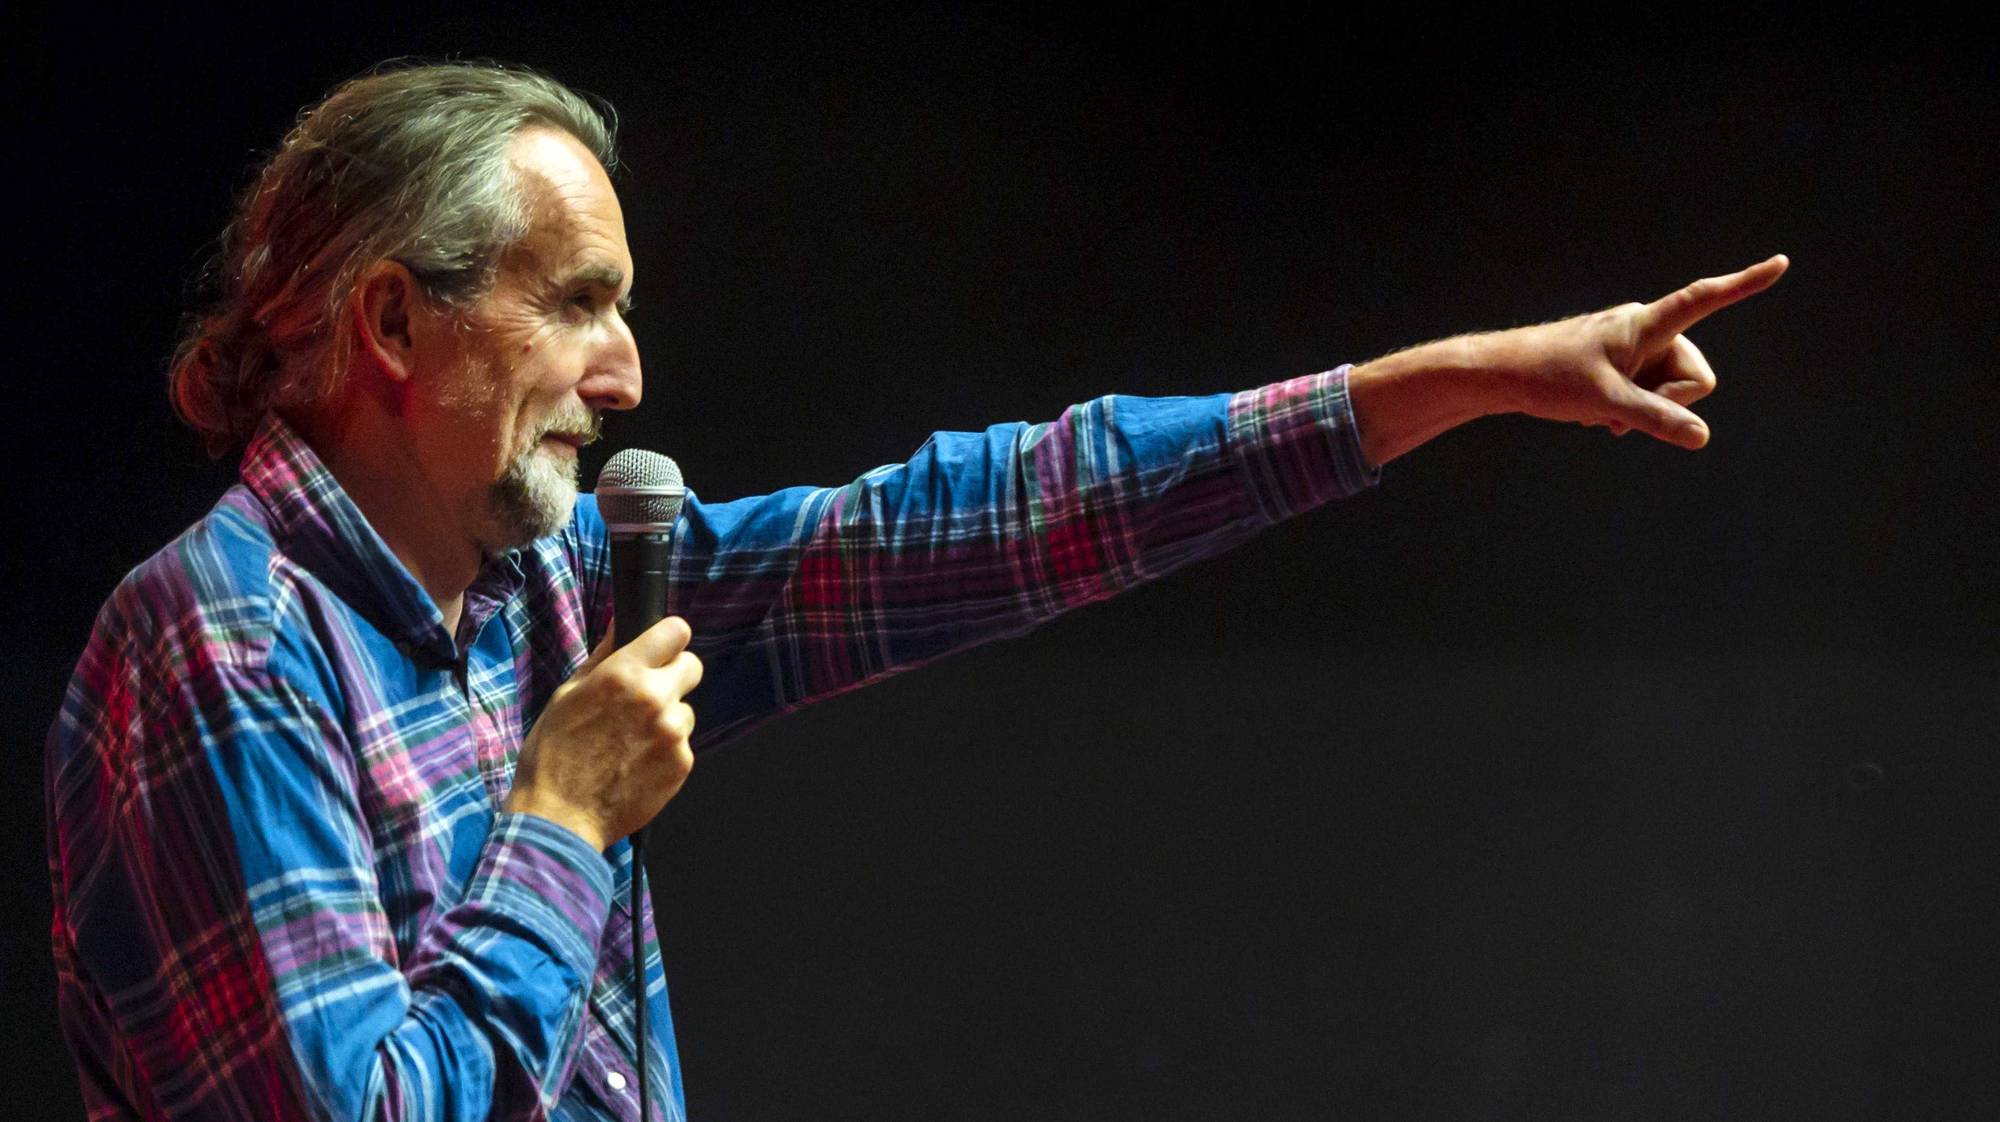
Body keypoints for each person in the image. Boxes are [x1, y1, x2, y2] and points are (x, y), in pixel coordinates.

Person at [44, 61, 1786, 1121]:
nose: (630, 373)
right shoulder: (223, 648)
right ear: (393, 326)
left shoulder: (549, 587)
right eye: (577, 301)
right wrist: (561, 823)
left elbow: (978, 522)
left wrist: (1448, 380)